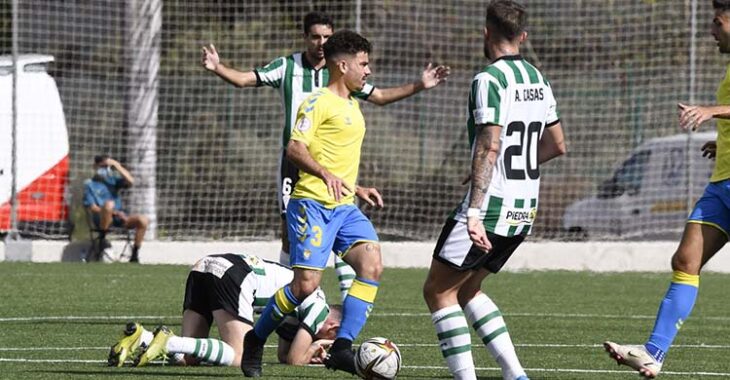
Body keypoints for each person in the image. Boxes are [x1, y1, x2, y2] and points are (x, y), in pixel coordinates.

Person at [201, 11, 449, 301]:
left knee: (339, 225)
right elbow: (246, 79)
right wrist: (218, 67)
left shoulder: (346, 77)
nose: (321, 42)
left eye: (326, 37)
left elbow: (380, 96)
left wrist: (421, 84)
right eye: (315, 36)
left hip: (334, 167)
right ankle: (285, 290)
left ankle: (344, 295)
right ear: (306, 37)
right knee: (289, 232)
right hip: (296, 163)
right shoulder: (287, 66)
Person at [422, 2, 566, 380]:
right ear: (523, 36)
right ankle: (515, 374)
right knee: (468, 289)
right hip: (524, 208)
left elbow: (489, 145)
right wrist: (494, 166)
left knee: (438, 292)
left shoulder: (489, 80)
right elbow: (557, 145)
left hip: (489, 209)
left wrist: (473, 210)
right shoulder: (539, 79)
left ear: (486, 33)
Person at [239, 30, 387, 378]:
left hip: (345, 206)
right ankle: (255, 340)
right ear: (342, 65)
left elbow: (336, 159)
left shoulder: (351, 103)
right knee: (305, 285)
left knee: (372, 263)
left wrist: (356, 186)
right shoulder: (317, 102)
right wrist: (324, 175)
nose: (367, 71)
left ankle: (341, 347)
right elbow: (295, 148)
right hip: (311, 205)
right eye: (363, 64)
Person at [604, 1, 730, 377]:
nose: (712, 30)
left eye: (717, 21)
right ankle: (653, 353)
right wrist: (721, 141)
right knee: (685, 261)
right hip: (722, 184)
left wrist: (709, 111)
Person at [107, 252, 341, 368]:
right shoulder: (318, 306)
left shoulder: (300, 307)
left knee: (188, 359)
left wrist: (309, 352)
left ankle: (142, 338)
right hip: (235, 275)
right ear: (333, 328)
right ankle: (169, 342)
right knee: (240, 356)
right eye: (334, 338)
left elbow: (283, 355)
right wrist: (314, 347)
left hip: (206, 266)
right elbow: (294, 359)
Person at [83, 154, 149, 263]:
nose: (104, 170)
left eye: (106, 167)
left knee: (143, 220)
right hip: (102, 219)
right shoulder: (90, 184)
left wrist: (116, 165)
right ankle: (102, 241)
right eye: (102, 167)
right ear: (95, 167)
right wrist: (110, 212)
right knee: (109, 205)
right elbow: (92, 207)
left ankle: (134, 255)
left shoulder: (112, 181)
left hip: (119, 218)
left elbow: (131, 181)